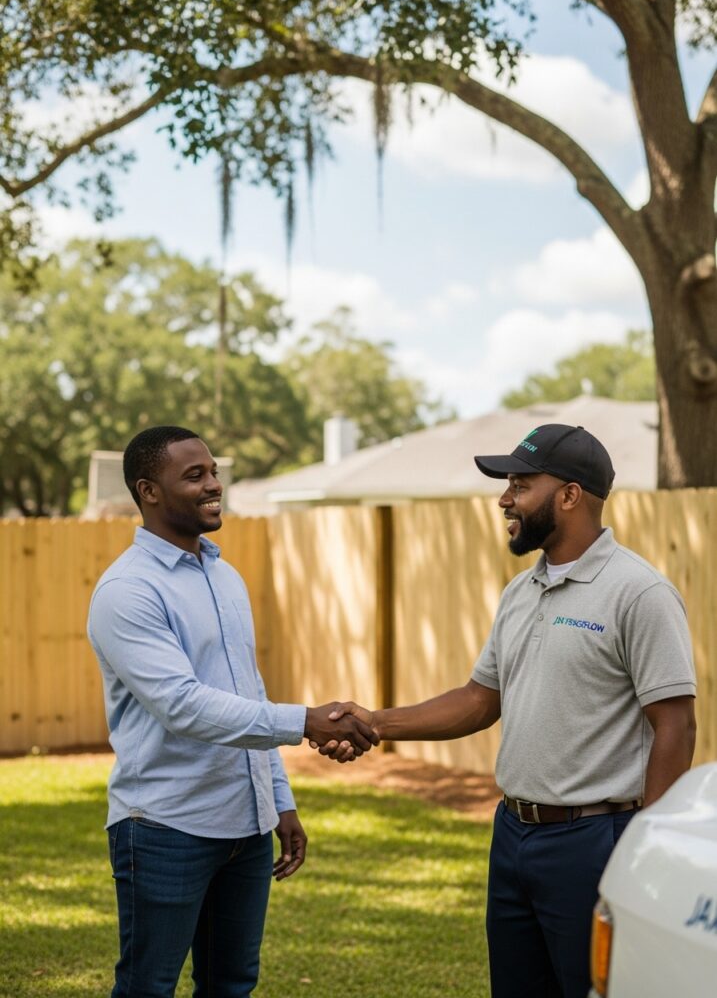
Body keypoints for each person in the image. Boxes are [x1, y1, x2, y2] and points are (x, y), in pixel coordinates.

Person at [322, 423, 697, 998]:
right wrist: (375, 721)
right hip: (513, 835)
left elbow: (674, 723)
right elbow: (480, 699)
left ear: (569, 495)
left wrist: (644, 847)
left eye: (520, 484)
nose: (504, 499)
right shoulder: (521, 592)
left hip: (594, 839)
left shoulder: (638, 593)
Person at [87, 425, 378, 998]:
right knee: (149, 985)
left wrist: (278, 801)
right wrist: (306, 721)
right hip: (165, 828)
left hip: (244, 827)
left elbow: (246, 695)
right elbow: (183, 706)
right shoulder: (128, 591)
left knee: (232, 983)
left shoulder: (225, 577)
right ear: (148, 490)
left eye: (215, 472)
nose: (214, 484)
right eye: (195, 475)